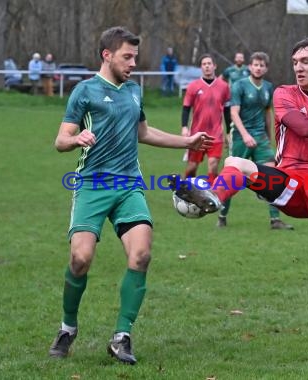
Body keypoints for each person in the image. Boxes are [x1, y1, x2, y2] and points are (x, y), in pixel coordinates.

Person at [176, 38, 308, 357]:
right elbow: (306, 128)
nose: (298, 67)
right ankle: (213, 197)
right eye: (295, 61)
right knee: (236, 163)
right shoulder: (284, 94)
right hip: (293, 180)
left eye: (305, 62)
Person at [48, 26, 214, 365]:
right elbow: (60, 139)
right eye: (127, 56)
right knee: (80, 260)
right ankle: (67, 328)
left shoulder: (134, 91)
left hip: (129, 185)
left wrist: (187, 141)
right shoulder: (84, 91)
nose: (133, 62)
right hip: (92, 184)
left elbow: (143, 132)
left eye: (135, 56)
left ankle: (121, 336)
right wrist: (76, 139)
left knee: (140, 255)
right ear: (107, 55)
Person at [219, 52, 293, 230]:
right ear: (250, 67)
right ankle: (222, 216)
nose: (258, 68)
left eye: (262, 65)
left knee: (273, 176)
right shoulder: (239, 86)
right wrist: (245, 135)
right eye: (255, 65)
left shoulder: (268, 87)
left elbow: (268, 113)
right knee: (232, 178)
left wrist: (270, 137)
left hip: (260, 138)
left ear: (266, 68)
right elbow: (234, 113)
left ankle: (275, 219)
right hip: (240, 137)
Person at [181, 54, 231, 183]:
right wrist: (184, 127)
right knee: (192, 167)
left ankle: (210, 196)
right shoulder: (193, 86)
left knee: (213, 165)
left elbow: (227, 110)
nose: (207, 66)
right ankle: (185, 191)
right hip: (197, 135)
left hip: (216, 135)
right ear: (201, 67)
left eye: (209, 63)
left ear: (214, 66)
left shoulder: (224, 86)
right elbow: (186, 108)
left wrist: (228, 132)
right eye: (204, 64)